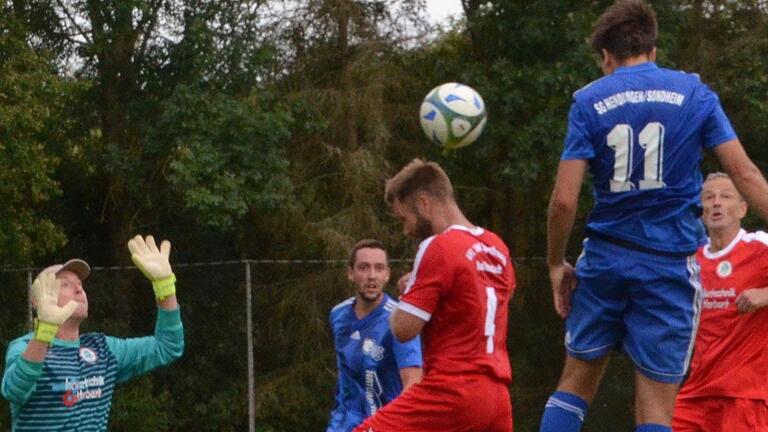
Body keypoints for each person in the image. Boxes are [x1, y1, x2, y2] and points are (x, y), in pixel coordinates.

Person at [540, 1, 768, 431]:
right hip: (668, 267)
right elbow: (745, 172)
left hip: (606, 257)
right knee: (657, 407)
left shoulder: (589, 100)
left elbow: (563, 201)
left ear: (607, 56)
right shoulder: (695, 94)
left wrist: (555, 263)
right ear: (653, 49)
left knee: (573, 386)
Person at [354, 159, 516, 432]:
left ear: (424, 203)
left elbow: (404, 329)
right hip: (497, 397)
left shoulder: (439, 246)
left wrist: (409, 293)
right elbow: (479, 303)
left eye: (405, 218)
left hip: (453, 391)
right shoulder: (497, 248)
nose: (406, 230)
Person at [1, 235, 184, 431]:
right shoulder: (25, 347)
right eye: (65, 284)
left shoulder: (103, 348)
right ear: (37, 302)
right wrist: (44, 332)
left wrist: (165, 286)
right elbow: (14, 391)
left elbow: (168, 346)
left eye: (80, 284)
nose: (79, 289)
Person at [673, 173, 768, 431]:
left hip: (744, 393)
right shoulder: (691, 262)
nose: (716, 203)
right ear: (700, 211)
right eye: (709, 197)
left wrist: (765, 294)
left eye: (725, 196)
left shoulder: (759, 246)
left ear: (742, 209)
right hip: (696, 392)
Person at [327, 239, 423, 432]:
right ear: (350, 273)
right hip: (342, 425)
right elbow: (345, 372)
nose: (372, 276)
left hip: (384, 425)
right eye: (363, 268)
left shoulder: (399, 320)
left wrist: (385, 425)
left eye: (379, 268)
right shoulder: (338, 315)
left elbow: (413, 384)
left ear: (387, 275)